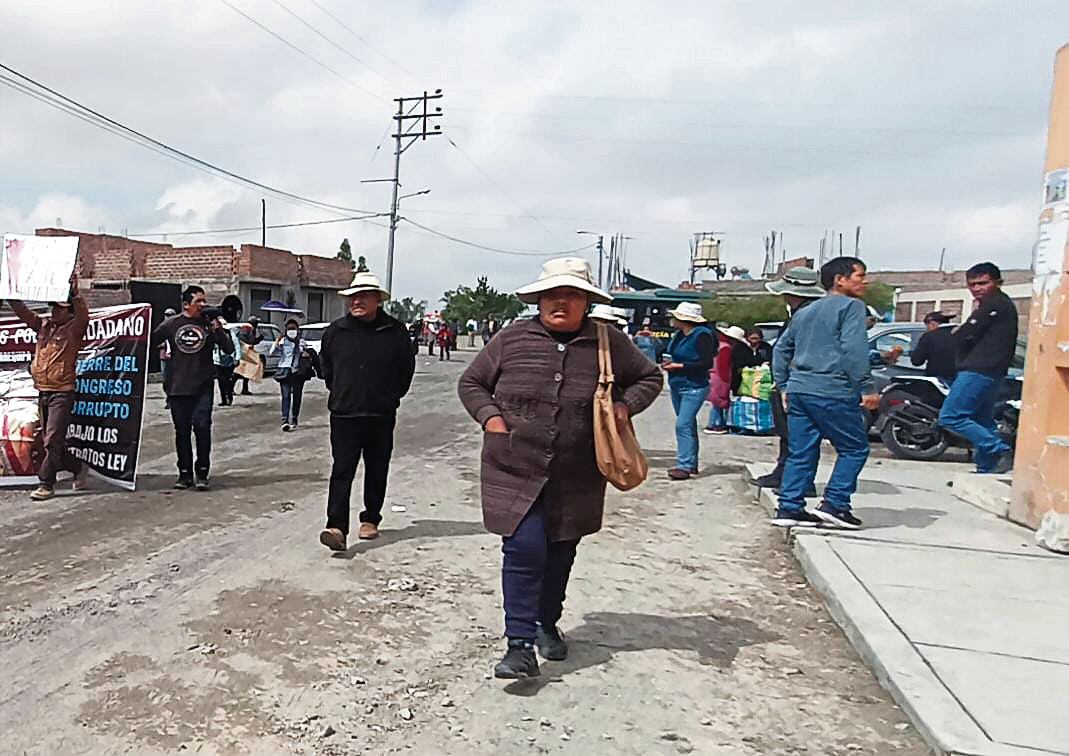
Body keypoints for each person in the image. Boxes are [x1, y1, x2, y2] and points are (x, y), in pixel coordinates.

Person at [458, 257, 662, 679]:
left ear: (586, 302)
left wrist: (624, 408)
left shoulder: (609, 343)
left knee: (560, 551)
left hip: (578, 471)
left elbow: (649, 378)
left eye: (571, 295)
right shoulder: (511, 339)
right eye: (553, 295)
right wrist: (492, 421)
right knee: (523, 548)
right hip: (513, 464)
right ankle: (518, 645)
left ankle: (546, 622)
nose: (561, 303)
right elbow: (471, 383)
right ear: (539, 300)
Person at [771, 257, 878, 530]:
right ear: (839, 280)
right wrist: (866, 386)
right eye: (859, 276)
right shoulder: (852, 307)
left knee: (801, 451)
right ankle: (835, 504)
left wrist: (783, 384)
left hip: (800, 390)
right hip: (832, 389)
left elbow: (781, 349)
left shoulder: (806, 311)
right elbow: (854, 349)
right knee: (854, 448)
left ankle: (789, 507)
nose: (864, 281)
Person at [318, 271, 415, 551]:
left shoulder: (394, 331)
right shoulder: (336, 331)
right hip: (344, 413)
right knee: (342, 470)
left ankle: (371, 518)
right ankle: (336, 526)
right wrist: (342, 392)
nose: (356, 301)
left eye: (363, 296)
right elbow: (328, 370)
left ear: (377, 300)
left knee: (377, 468)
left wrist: (388, 396)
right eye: (353, 297)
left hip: (381, 414)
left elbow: (405, 370)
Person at [8, 274, 90, 501]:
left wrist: (75, 294)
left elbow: (83, 315)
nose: (54, 311)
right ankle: (76, 466)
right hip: (43, 391)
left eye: (59, 307)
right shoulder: (44, 326)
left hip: (62, 392)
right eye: (52, 306)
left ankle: (46, 483)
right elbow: (24, 314)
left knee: (52, 439)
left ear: (69, 311)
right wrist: (12, 294)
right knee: (49, 441)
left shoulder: (74, 329)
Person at [939, 262, 1019, 474]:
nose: (977, 288)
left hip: (979, 369)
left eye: (983, 283)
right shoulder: (996, 305)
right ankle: (988, 467)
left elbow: (962, 335)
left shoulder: (994, 305)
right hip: (992, 371)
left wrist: (962, 329)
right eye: (972, 284)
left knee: (951, 416)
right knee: (981, 420)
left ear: (998, 282)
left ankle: (999, 449)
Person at [152, 285, 234, 490]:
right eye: (199, 301)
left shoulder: (208, 325)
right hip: (178, 388)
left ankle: (202, 472)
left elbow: (229, 349)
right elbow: (150, 341)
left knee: (202, 428)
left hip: (203, 388)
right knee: (182, 432)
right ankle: (185, 474)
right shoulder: (172, 324)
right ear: (187, 304)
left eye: (204, 301)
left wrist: (218, 329)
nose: (203, 305)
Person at [752, 267, 824, 492]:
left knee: (801, 437)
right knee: (788, 434)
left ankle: (801, 481)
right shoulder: (800, 314)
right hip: (789, 381)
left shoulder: (810, 316)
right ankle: (784, 472)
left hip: (798, 383)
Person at [662, 302, 717, 481]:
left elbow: (706, 363)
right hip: (677, 383)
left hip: (695, 385)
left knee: (682, 425)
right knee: (688, 424)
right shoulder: (679, 335)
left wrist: (680, 366)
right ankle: (691, 463)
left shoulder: (702, 336)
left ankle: (684, 465)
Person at [727, 326, 774, 435]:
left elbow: (770, 359)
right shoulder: (740, 348)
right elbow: (737, 363)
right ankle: (741, 426)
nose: (754, 341)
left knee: (762, 404)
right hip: (742, 381)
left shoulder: (766, 348)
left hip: (761, 382)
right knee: (742, 404)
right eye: (752, 339)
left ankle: (762, 427)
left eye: (756, 339)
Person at [271, 317, 315, 431]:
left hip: (298, 372)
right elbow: (272, 353)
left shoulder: (301, 342)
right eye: (289, 328)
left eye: (293, 328)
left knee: (297, 396)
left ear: (297, 329)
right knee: (285, 396)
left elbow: (310, 353)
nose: (292, 331)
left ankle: (294, 418)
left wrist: (306, 354)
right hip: (284, 370)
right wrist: (276, 342)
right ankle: (285, 420)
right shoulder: (283, 341)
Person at [910, 311, 957, 382]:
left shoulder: (929, 336)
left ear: (933, 323)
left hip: (937, 378)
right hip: (963, 378)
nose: (927, 329)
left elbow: (917, 361)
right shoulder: (962, 333)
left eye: (927, 326)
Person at [704, 327, 734, 435]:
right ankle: (715, 424)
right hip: (720, 377)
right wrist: (727, 380)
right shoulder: (726, 348)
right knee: (719, 401)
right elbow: (723, 366)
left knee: (716, 401)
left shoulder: (717, 345)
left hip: (713, 375)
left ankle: (716, 423)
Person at [213, 321, 238, 407]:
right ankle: (223, 399)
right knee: (220, 381)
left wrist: (237, 358)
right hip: (217, 360)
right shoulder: (214, 333)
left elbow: (236, 345)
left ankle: (229, 397)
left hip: (228, 360)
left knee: (228, 380)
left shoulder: (230, 333)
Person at [236, 316, 263, 396]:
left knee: (246, 371)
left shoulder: (248, 328)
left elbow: (251, 340)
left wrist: (258, 339)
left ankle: (244, 388)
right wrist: (257, 339)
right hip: (246, 352)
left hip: (246, 351)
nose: (257, 324)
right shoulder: (248, 328)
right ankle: (231, 388)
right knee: (241, 371)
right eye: (256, 323)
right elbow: (248, 340)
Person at [159, 307, 177, 409]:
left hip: (175, 357)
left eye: (170, 315)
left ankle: (172, 400)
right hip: (164, 357)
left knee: (175, 378)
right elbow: (155, 341)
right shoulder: (162, 328)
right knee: (166, 379)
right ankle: (169, 397)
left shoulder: (177, 327)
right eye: (167, 315)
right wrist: (163, 345)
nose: (168, 317)